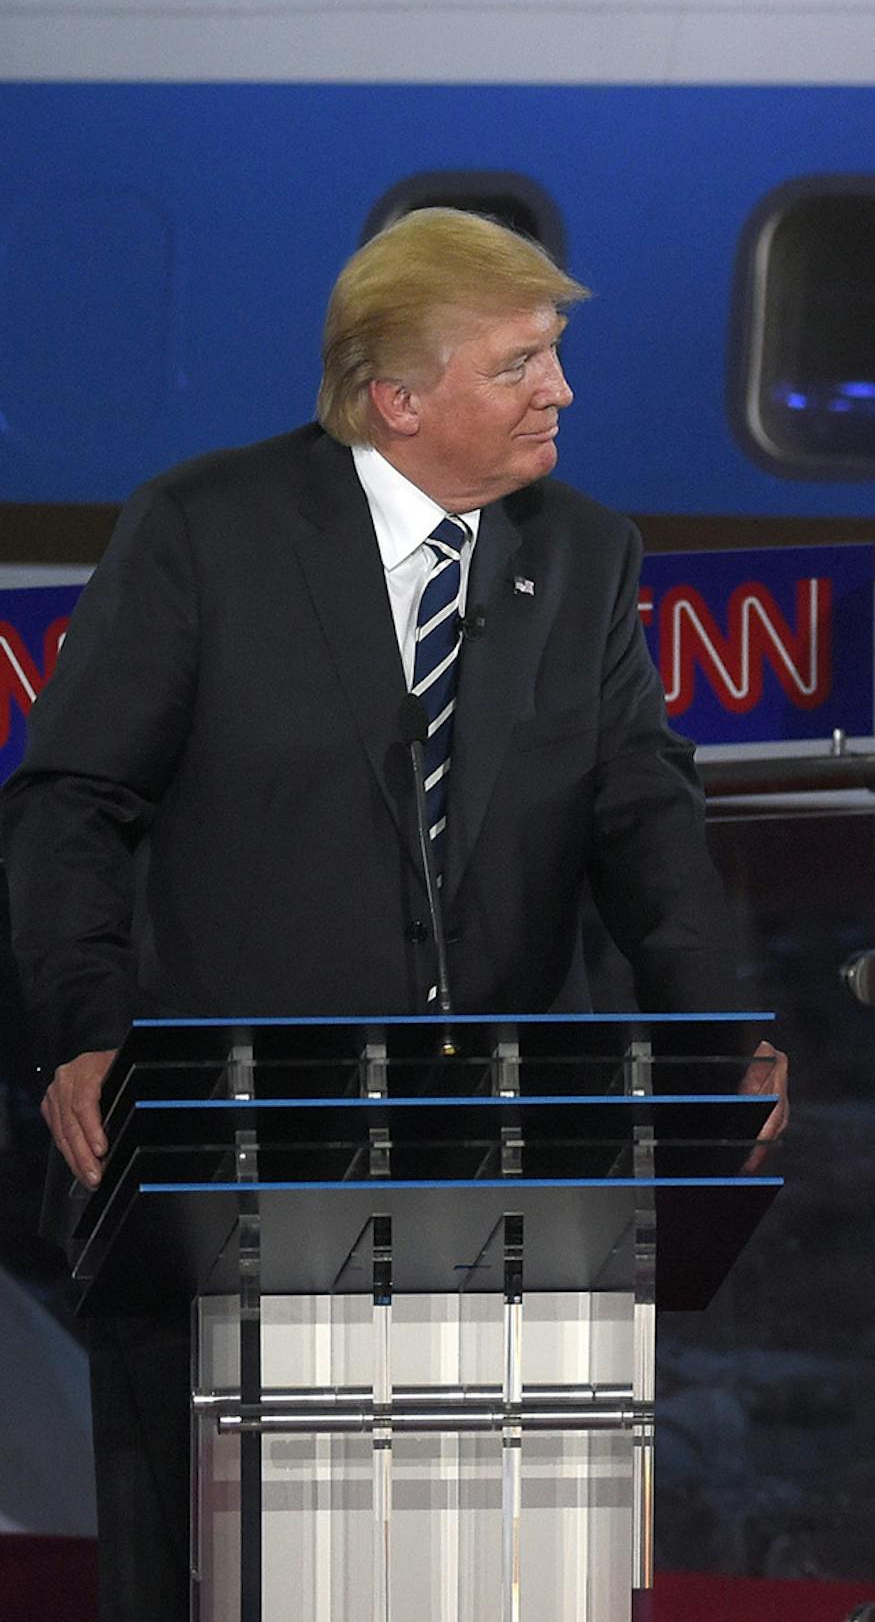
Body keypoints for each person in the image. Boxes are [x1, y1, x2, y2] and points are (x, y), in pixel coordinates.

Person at [1, 207, 788, 1620]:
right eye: (523, 363)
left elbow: (644, 820)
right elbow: (67, 799)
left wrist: (719, 1041)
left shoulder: (587, 556)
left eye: (555, 356)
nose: (562, 390)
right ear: (399, 397)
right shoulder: (203, 532)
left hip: (508, 1177)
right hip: (231, 1169)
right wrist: (81, 1030)